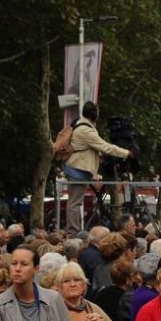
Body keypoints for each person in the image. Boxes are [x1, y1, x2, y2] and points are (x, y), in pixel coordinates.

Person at [63, 101, 132, 237]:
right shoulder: (86, 130)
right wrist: (126, 153)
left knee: (74, 202)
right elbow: (105, 146)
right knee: (75, 203)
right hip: (78, 170)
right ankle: (73, 232)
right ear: (94, 114)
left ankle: (73, 231)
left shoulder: (79, 125)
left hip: (75, 169)